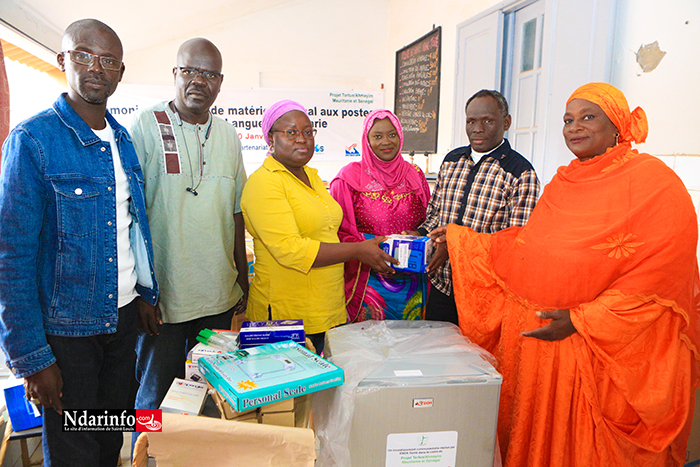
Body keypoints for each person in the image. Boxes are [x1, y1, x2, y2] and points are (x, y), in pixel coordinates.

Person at [435, 82, 700, 466]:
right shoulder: (565, 181)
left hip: (597, 352)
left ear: (618, 126)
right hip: (544, 351)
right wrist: (464, 240)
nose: (574, 127)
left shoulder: (655, 183)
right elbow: (528, 245)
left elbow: (661, 274)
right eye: (567, 120)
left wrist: (580, 320)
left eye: (588, 117)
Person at [0, 19, 158, 466]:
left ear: (120, 72)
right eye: (84, 55)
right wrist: (31, 358)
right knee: (74, 454)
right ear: (62, 60)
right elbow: (11, 257)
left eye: (108, 60)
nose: (96, 68)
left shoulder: (124, 141)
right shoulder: (33, 140)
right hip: (68, 334)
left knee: (111, 441)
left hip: (124, 324)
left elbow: (131, 231)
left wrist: (147, 294)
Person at [130, 38, 248, 411]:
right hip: (163, 300)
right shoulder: (145, 126)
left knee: (211, 399)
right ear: (175, 75)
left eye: (209, 74)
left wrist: (242, 278)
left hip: (217, 297)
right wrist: (142, 292)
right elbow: (130, 212)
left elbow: (236, 213)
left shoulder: (228, 135)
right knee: (154, 399)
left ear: (220, 81)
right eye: (190, 71)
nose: (199, 80)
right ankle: (145, 455)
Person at [240, 100, 396, 353]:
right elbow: (290, 250)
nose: (302, 139)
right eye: (291, 132)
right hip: (287, 316)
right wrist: (358, 251)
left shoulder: (311, 176)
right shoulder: (264, 183)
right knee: (292, 391)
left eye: (308, 131)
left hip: (328, 308)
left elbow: (326, 232)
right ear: (270, 138)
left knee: (324, 392)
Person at [408, 89, 539, 325]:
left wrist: (457, 245)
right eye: (471, 121)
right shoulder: (452, 161)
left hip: (484, 291)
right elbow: (435, 215)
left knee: (476, 359)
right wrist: (417, 235)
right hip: (442, 284)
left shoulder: (521, 173)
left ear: (506, 122)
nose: (477, 128)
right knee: (436, 351)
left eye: (488, 120)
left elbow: (514, 244)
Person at [330, 109, 431, 322]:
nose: (386, 141)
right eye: (377, 136)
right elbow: (338, 231)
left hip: (412, 281)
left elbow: (429, 219)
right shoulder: (348, 178)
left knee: (410, 345)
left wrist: (419, 234)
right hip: (367, 280)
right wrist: (364, 249)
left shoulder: (415, 174)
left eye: (392, 134)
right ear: (366, 140)